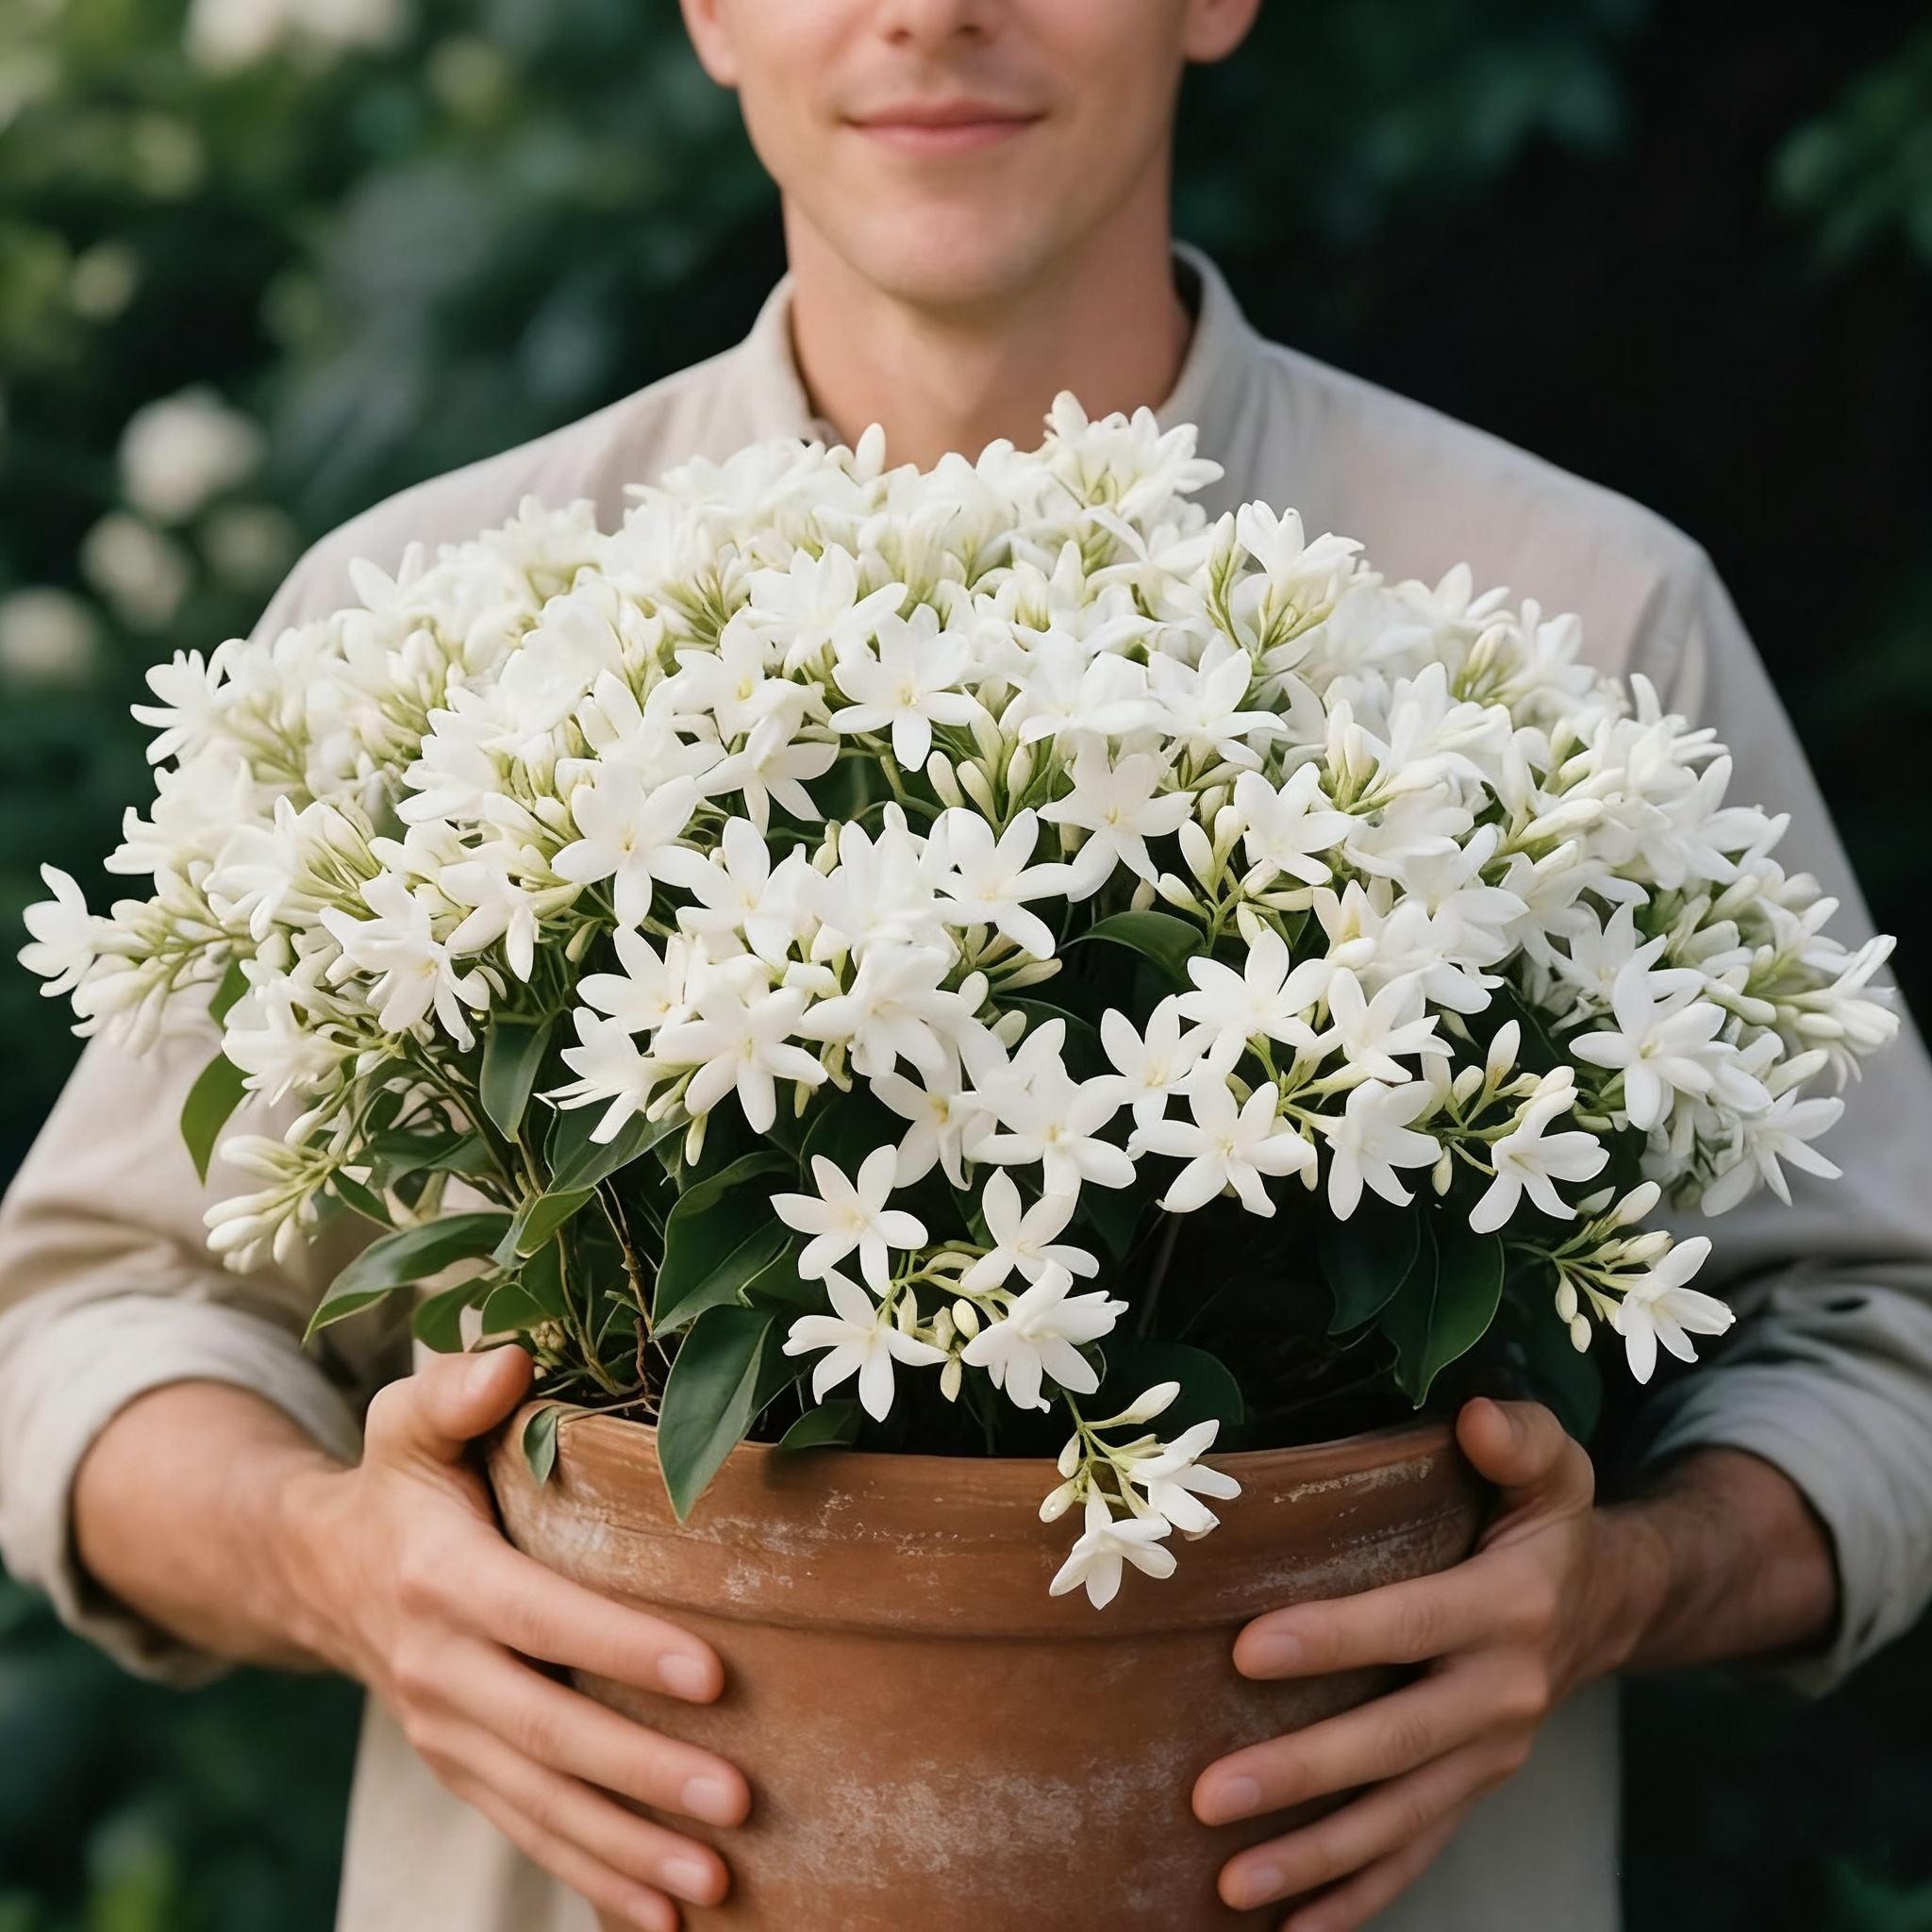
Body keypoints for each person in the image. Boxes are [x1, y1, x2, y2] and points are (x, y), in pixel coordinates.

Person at [3, 3, 1930, 1929]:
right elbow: (82, 1319)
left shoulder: (1579, 620)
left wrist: (1628, 1585)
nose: (932, 7)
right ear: (708, 13)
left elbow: (1887, 1330)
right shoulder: (399, 628)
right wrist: (333, 1557)